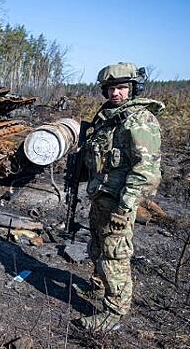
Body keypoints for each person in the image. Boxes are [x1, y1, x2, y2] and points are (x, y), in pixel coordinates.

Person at [73, 62, 163, 331]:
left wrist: (125, 207)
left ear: (133, 89)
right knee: (98, 247)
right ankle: (99, 287)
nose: (116, 93)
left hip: (119, 202)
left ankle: (114, 312)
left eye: (122, 88)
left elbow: (146, 170)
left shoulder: (139, 119)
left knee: (115, 254)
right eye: (112, 88)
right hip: (102, 197)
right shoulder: (109, 117)